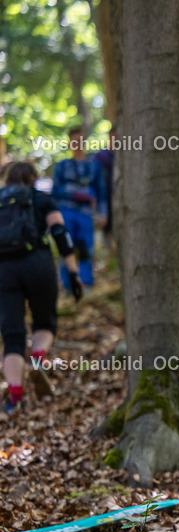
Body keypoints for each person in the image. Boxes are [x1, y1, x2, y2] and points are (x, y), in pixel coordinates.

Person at [0, 162, 82, 412]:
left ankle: (14, 397)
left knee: (12, 336)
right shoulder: (41, 199)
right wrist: (73, 272)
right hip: (38, 264)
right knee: (44, 322)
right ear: (33, 178)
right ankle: (37, 357)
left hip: (3, 270)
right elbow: (60, 233)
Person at [52, 125, 107, 292]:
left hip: (86, 214)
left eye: (80, 141)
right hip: (66, 212)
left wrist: (103, 213)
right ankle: (68, 286)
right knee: (66, 248)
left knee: (86, 249)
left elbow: (101, 192)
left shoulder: (94, 167)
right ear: (69, 143)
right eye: (74, 141)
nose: (77, 144)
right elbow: (55, 192)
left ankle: (86, 285)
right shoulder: (62, 166)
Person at [92, 125, 116, 250]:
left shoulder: (125, 156)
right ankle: (108, 258)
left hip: (121, 197)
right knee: (107, 230)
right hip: (105, 198)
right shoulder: (101, 157)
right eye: (114, 137)